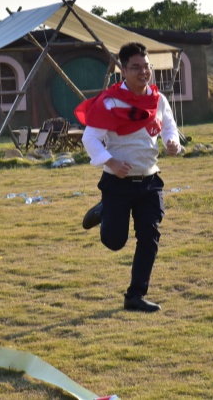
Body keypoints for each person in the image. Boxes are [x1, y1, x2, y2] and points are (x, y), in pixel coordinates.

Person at [75, 42, 181, 312]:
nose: (143, 72)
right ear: (123, 71)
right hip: (117, 183)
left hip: (149, 180)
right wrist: (111, 161)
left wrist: (172, 143)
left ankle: (135, 295)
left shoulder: (158, 99)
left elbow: (169, 127)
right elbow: (90, 138)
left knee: (149, 236)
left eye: (147, 67)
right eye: (136, 68)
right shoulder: (110, 102)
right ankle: (105, 209)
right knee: (114, 241)